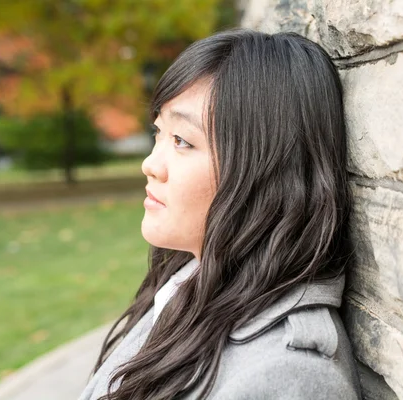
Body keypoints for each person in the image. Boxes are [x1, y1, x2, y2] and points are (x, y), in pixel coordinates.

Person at [78, 28, 361, 400]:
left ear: (267, 170)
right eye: (158, 133)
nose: (150, 164)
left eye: (182, 141)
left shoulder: (289, 377)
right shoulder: (188, 280)